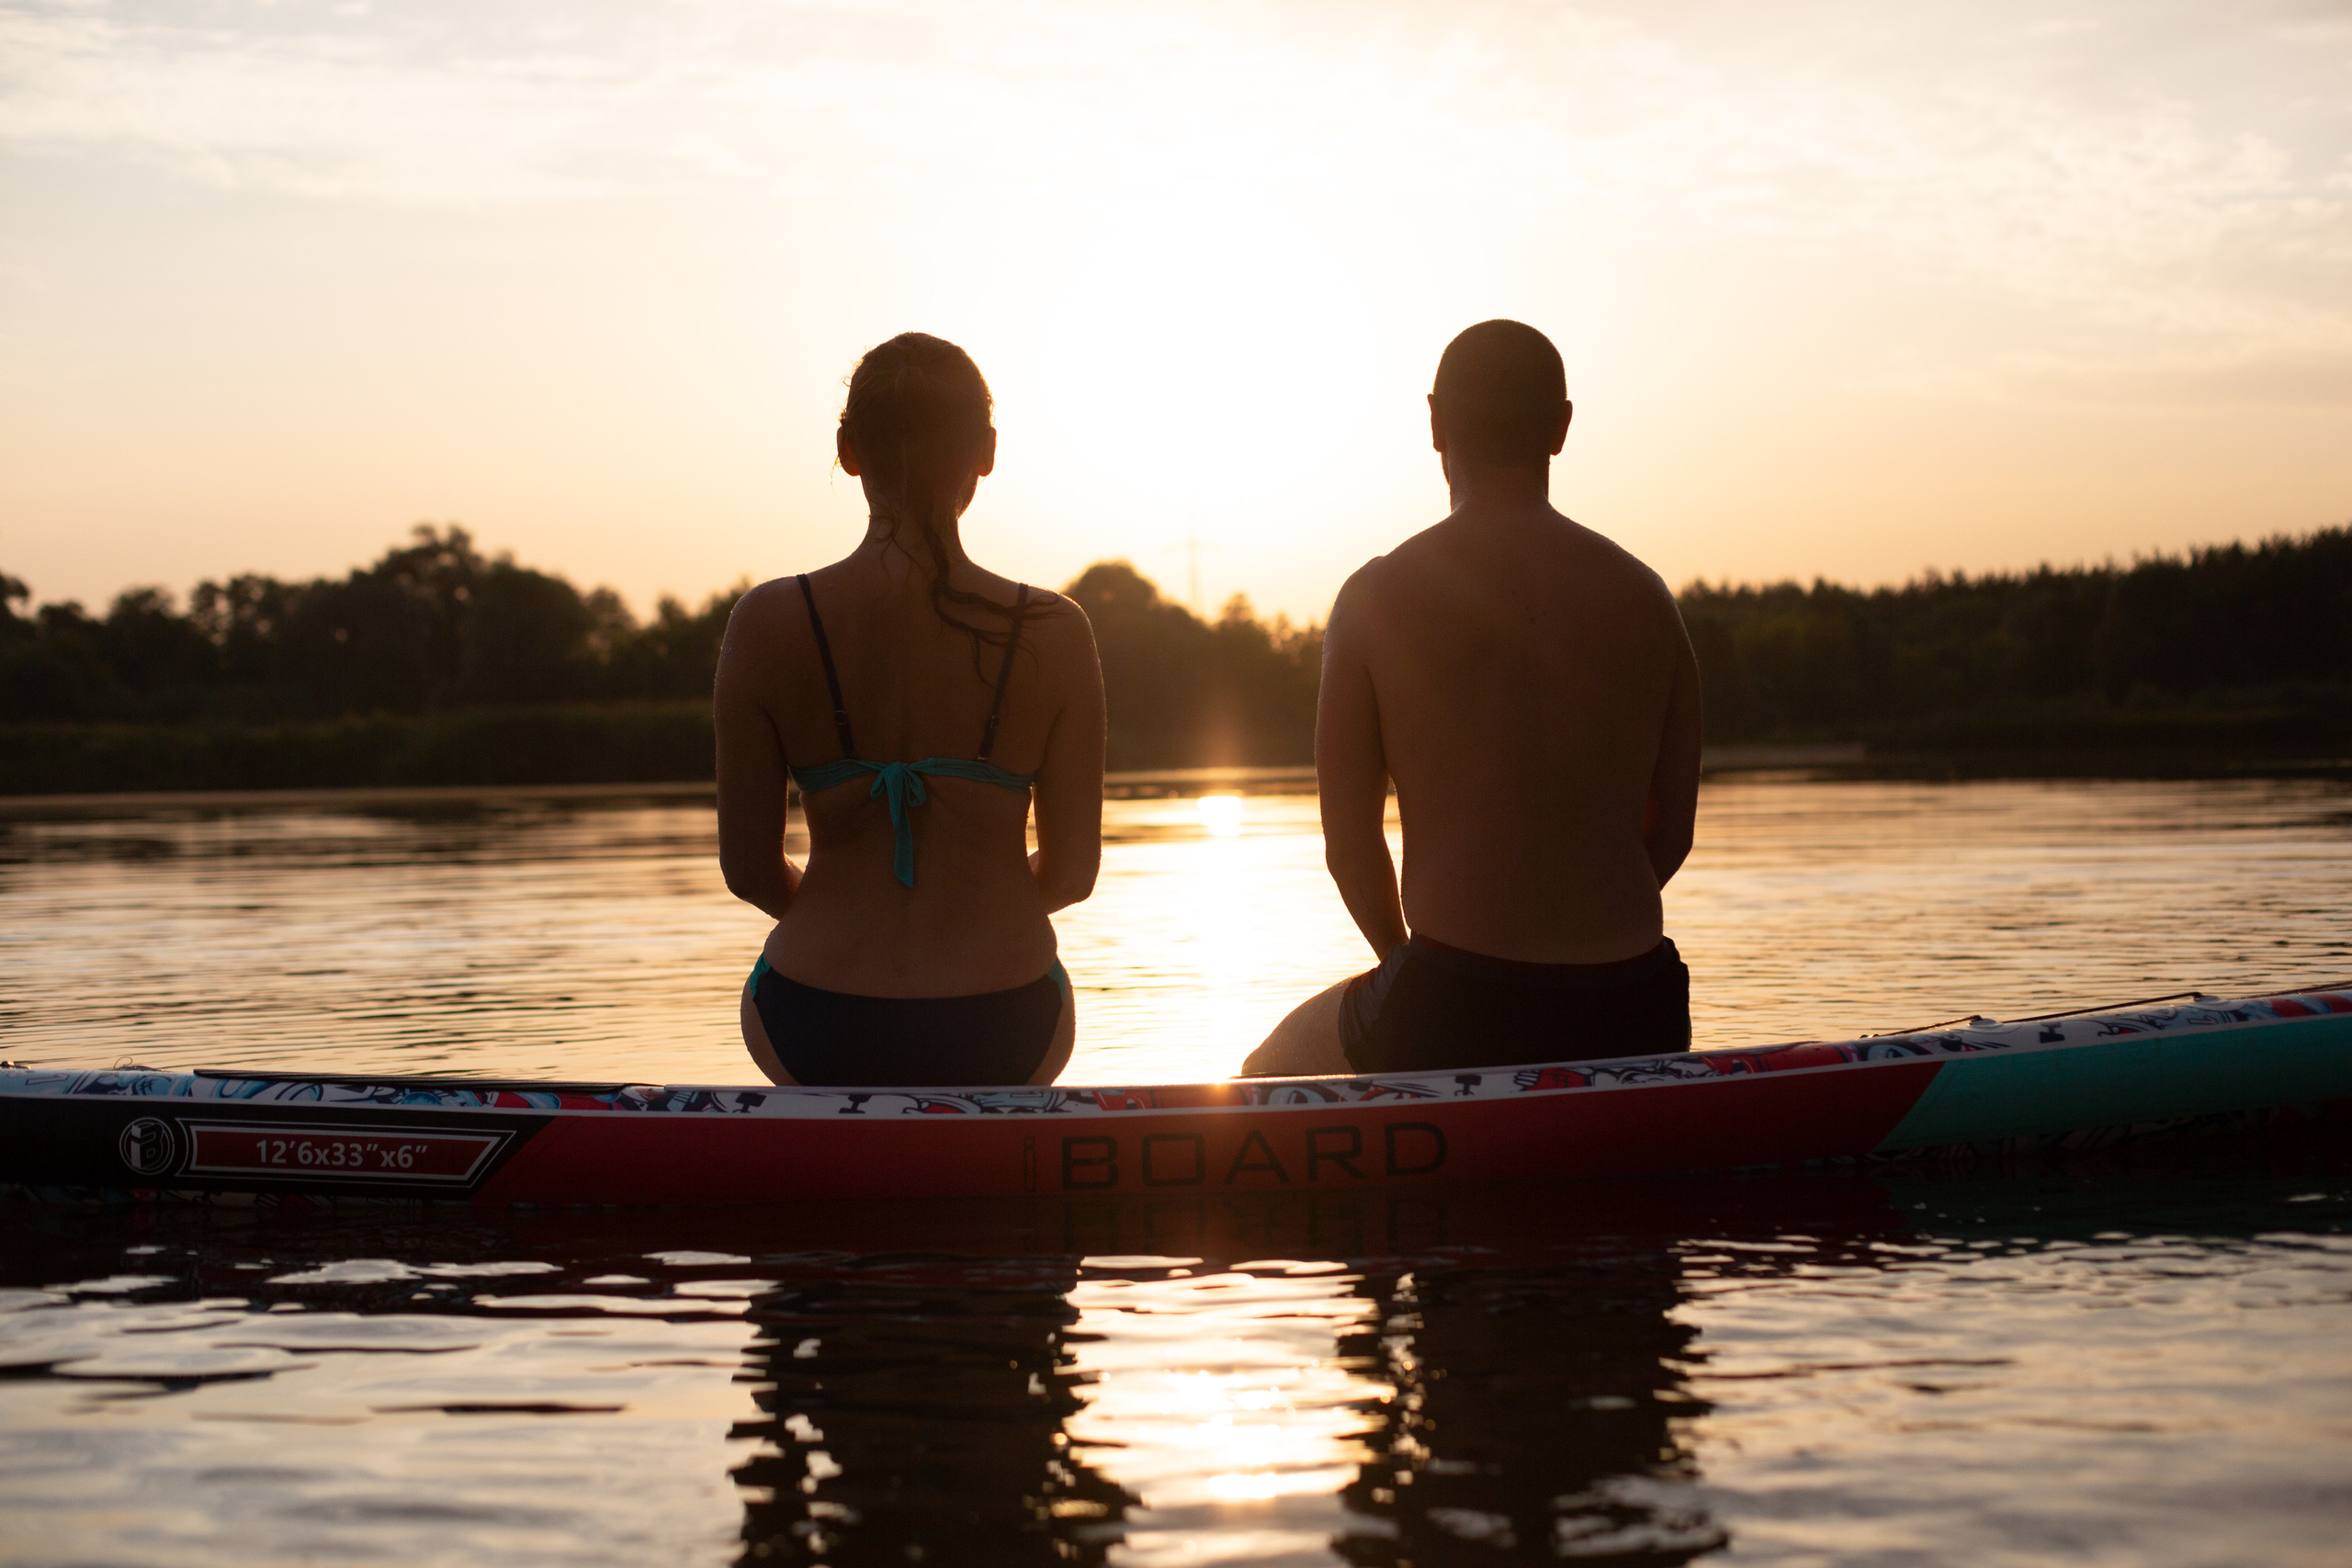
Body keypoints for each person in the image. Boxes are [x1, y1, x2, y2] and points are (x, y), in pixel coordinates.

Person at [1242, 320, 1702, 1077]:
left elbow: (1350, 848)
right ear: (1561, 427)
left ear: (1435, 424)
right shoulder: (1648, 599)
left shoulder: (1374, 600)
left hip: (1453, 1000)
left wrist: (1414, 972)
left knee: (1262, 1075)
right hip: (1636, 1002)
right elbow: (1672, 832)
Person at [716, 332, 1105, 1087]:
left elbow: (748, 869)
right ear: (986, 450)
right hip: (1009, 1014)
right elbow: (1072, 873)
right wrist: (982, 910)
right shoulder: (1055, 633)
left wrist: (834, 909)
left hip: (809, 1012)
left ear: (848, 448)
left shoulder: (765, 623)